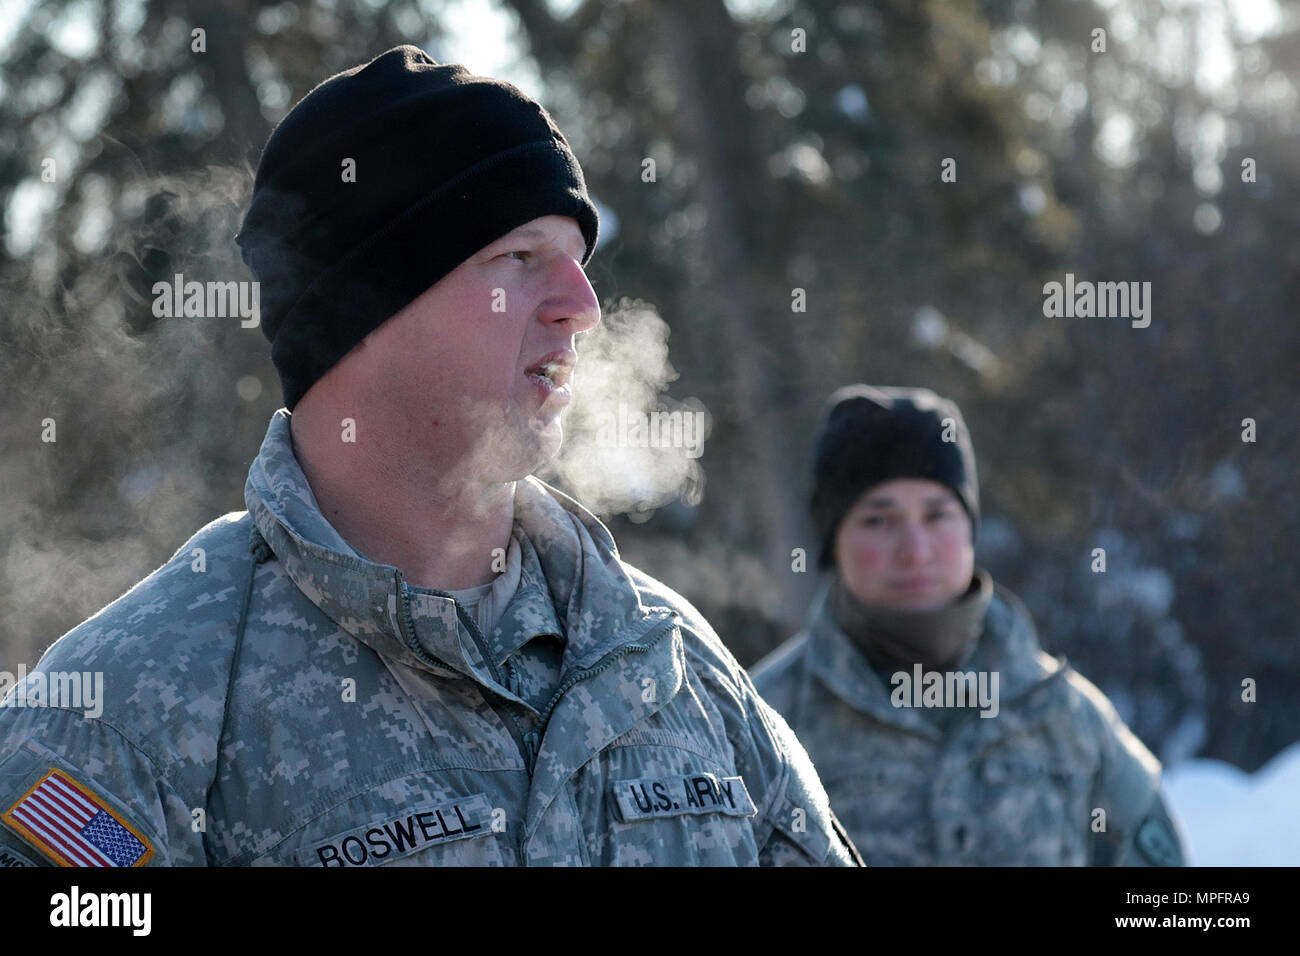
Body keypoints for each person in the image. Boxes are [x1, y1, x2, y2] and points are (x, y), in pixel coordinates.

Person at [0, 46, 859, 867]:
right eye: (520, 259)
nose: (583, 306)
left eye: (578, 262)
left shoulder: (669, 662)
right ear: (363, 311)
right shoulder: (124, 713)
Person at [751, 384, 1186, 866]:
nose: (914, 549)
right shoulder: (757, 726)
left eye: (938, 515)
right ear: (833, 542)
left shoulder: (1066, 716)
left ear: (970, 529)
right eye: (878, 520)